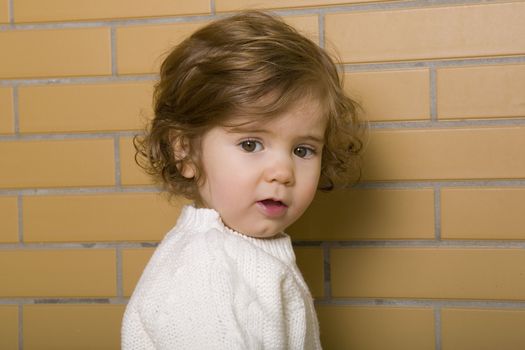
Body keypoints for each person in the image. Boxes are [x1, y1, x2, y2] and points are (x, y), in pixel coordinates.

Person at [122, 10, 362, 349]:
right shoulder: (204, 272)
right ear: (186, 151)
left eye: (303, 150)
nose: (283, 172)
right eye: (251, 144)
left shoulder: (244, 253)